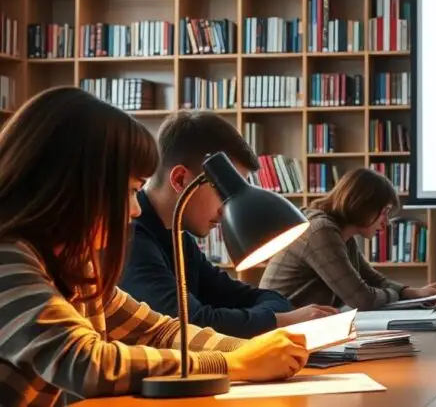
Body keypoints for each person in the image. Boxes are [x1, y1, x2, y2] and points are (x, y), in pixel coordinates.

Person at [0, 87, 307, 407]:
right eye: (131, 191)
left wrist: (251, 351)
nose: (135, 210)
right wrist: (233, 362)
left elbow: (158, 332)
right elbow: (86, 363)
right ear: (74, 185)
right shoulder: (7, 259)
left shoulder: (75, 266)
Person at [120, 110, 337, 338]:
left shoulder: (178, 237)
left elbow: (263, 298)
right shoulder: (131, 238)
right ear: (181, 180)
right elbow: (191, 324)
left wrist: (271, 317)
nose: (227, 210)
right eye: (224, 192)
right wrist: (280, 321)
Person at [260, 167, 436, 309]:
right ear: (363, 206)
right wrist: (397, 295)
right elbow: (362, 299)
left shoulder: (342, 233)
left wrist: (412, 292)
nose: (386, 223)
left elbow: (371, 278)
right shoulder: (321, 231)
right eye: (385, 212)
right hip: (280, 332)